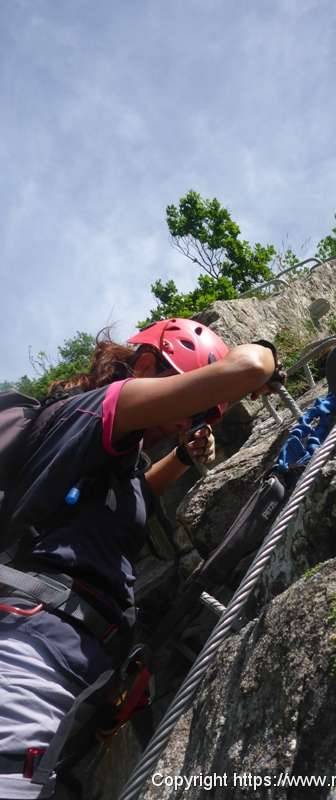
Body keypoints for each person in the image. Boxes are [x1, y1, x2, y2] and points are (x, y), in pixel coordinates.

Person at [0, 317, 283, 799]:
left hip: (67, 655)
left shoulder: (111, 457)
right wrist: (263, 355)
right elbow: (250, 367)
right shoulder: (110, 403)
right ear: (148, 365)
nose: (188, 423)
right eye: (191, 412)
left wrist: (182, 458)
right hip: (33, 651)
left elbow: (121, 507)